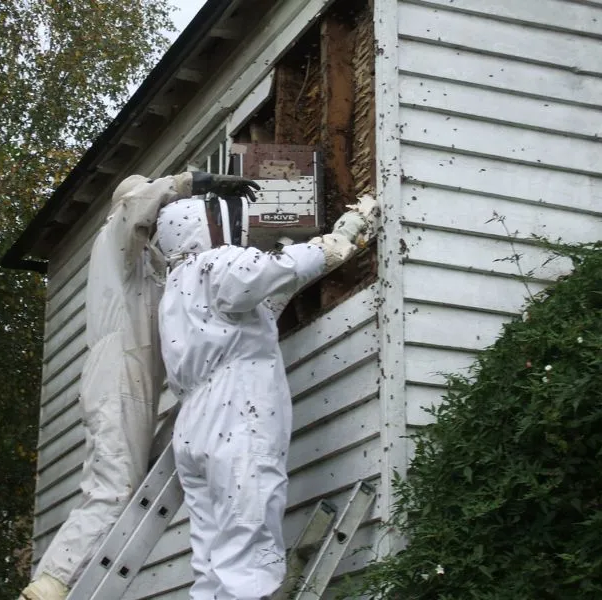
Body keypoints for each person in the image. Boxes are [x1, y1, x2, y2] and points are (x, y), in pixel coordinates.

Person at [19, 172, 261, 600]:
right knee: (114, 489)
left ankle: (59, 579)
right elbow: (137, 206)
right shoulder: (115, 236)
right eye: (158, 208)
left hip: (129, 377)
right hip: (118, 374)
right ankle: (50, 584)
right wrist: (196, 182)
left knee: (118, 482)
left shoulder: (146, 262)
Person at [154, 186, 379, 600]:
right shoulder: (215, 263)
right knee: (248, 539)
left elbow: (258, 306)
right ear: (201, 227)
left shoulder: (175, 289)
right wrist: (340, 237)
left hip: (194, 424)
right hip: (233, 411)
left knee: (211, 554)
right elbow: (276, 270)